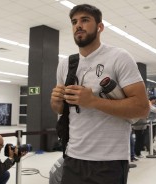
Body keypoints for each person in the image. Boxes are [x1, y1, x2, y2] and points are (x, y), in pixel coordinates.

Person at [50, 4, 149, 184]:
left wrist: (93, 101)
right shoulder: (66, 64)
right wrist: (56, 102)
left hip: (109, 161)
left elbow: (142, 109)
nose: (78, 25)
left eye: (85, 20)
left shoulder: (119, 57)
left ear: (100, 27)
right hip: (73, 157)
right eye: (74, 22)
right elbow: (60, 110)